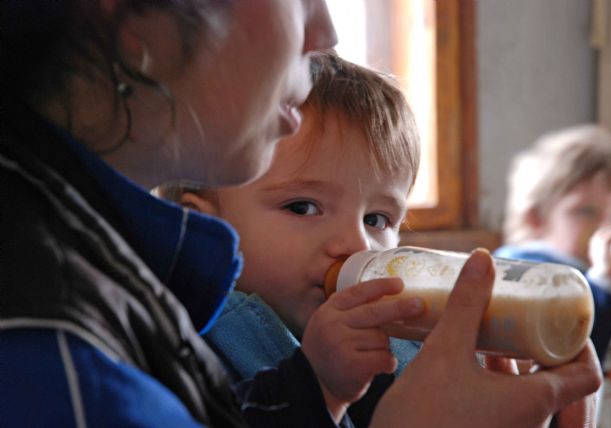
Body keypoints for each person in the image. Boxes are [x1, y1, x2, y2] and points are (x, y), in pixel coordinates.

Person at [1, 1, 601, 427]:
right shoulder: (58, 355)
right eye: (303, 206)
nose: (327, 28)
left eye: (378, 218)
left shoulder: (107, 268)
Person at [156, 51, 422, 426]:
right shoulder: (179, 345)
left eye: (376, 219)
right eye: (302, 207)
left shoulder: (402, 340)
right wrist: (316, 388)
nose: (358, 246)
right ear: (204, 227)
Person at [494, 124, 611, 365]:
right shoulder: (521, 269)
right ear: (537, 218)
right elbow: (570, 344)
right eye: (586, 211)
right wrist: (605, 281)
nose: (605, 225)